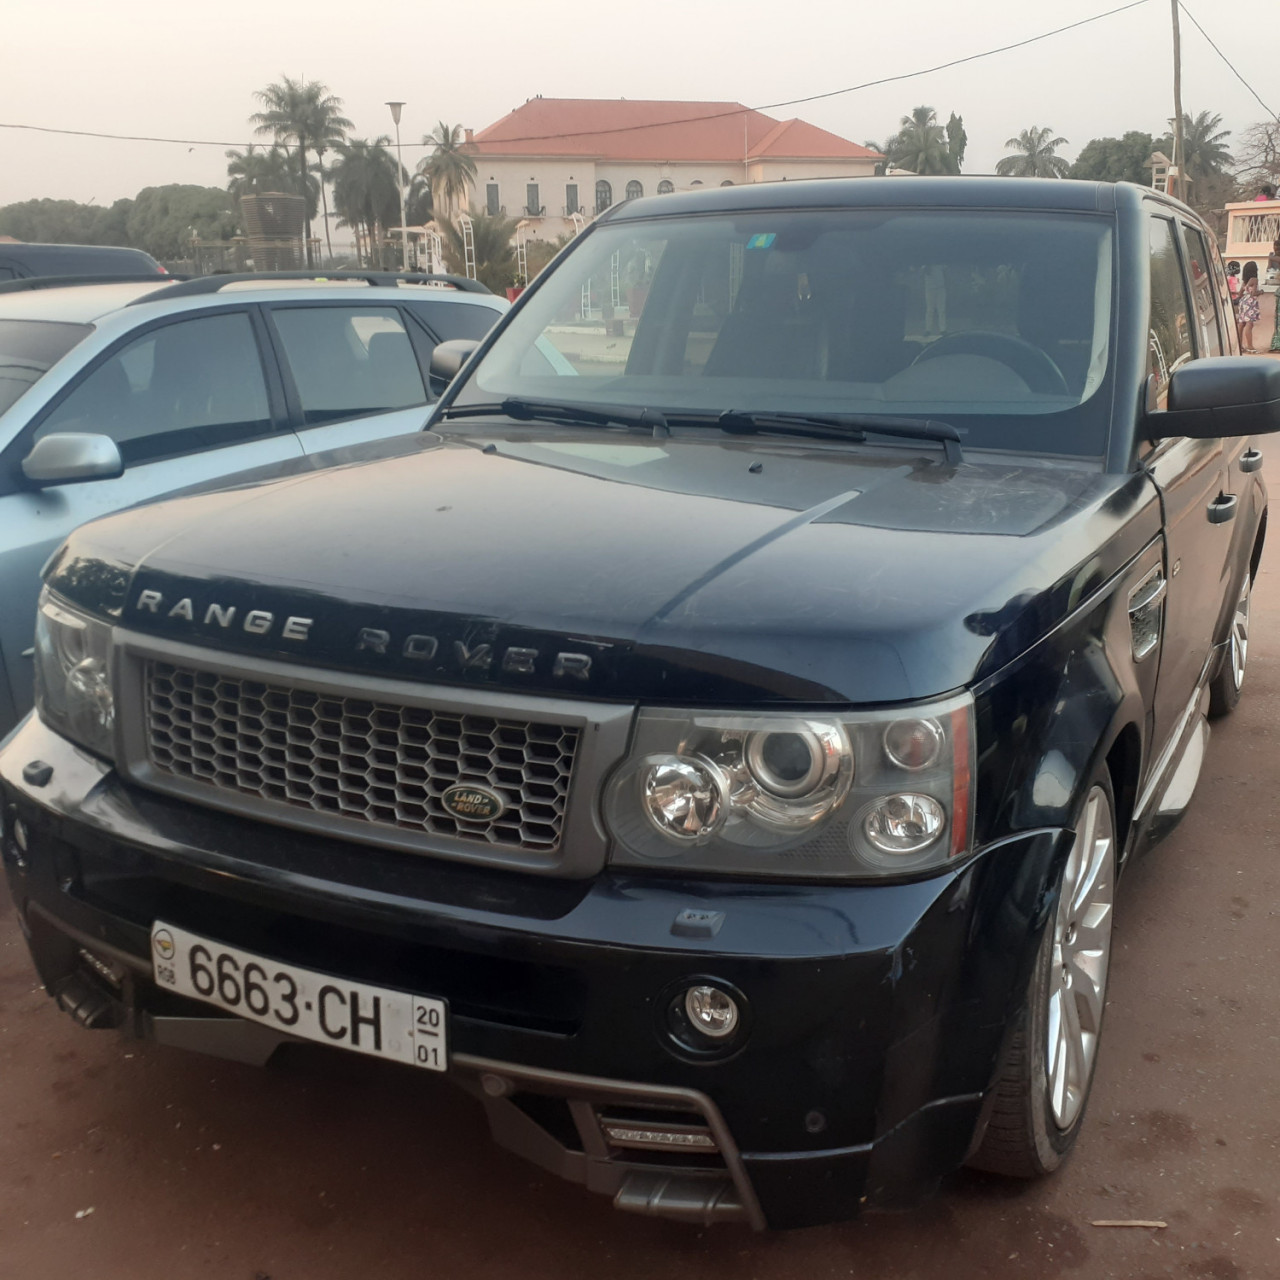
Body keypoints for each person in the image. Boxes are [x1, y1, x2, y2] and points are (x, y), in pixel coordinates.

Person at [1238, 277, 1261, 351]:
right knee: (1249, 324)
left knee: (1241, 324)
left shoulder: (1245, 282)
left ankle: (1239, 345)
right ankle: (1250, 346)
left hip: (1243, 301)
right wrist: (1260, 292)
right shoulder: (1254, 280)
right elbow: (1253, 293)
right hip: (1250, 302)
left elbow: (1240, 293)